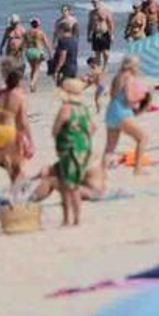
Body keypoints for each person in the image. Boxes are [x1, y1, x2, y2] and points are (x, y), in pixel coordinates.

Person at [52, 78, 94, 227]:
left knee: (69, 185)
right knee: (70, 183)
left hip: (69, 149)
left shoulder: (66, 109)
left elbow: (55, 129)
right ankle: (70, 218)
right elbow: (92, 128)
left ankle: (73, 219)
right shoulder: (83, 109)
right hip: (83, 149)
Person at [103, 57, 151, 174]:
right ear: (131, 66)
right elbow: (129, 98)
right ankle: (138, 169)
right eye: (137, 65)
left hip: (111, 112)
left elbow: (113, 95)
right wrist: (145, 97)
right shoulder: (128, 77)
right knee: (142, 138)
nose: (138, 68)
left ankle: (101, 172)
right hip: (121, 112)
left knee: (110, 147)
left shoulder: (117, 77)